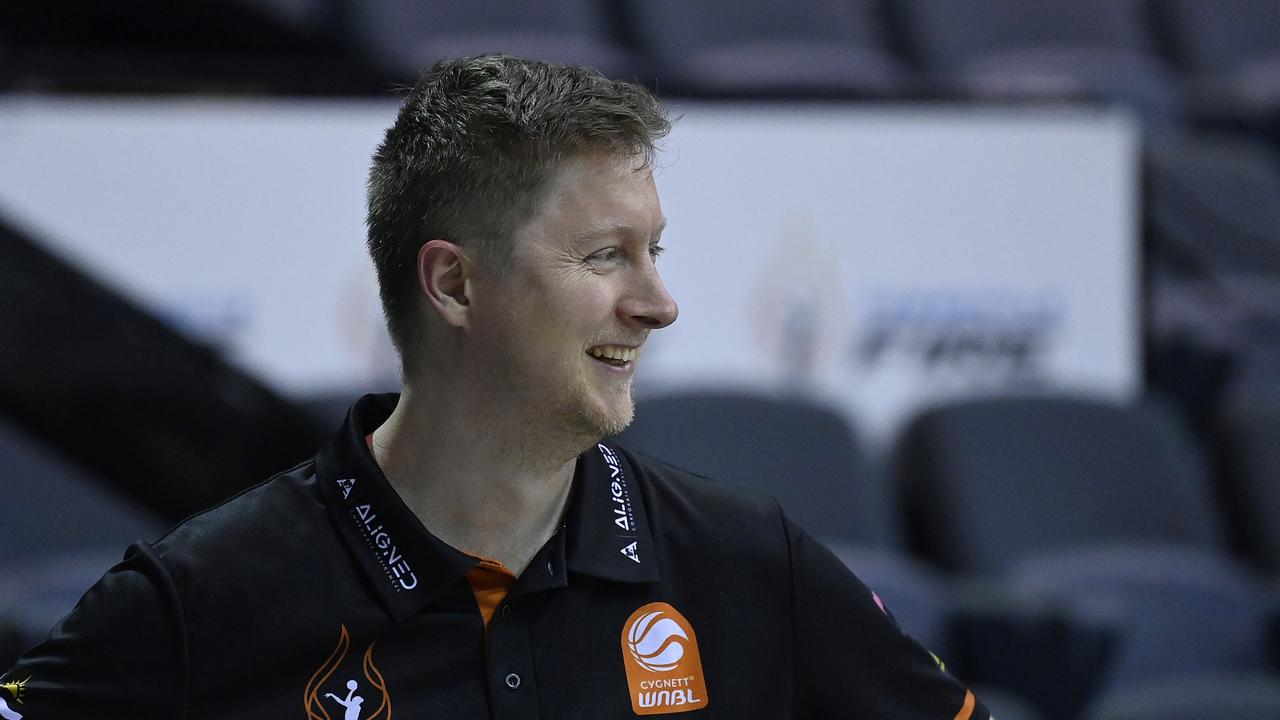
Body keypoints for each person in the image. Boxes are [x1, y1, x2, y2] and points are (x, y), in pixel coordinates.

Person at [1, 55, 989, 718]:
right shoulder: (199, 598)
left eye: (655, 252)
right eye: (607, 257)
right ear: (455, 283)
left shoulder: (745, 564)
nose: (658, 303)